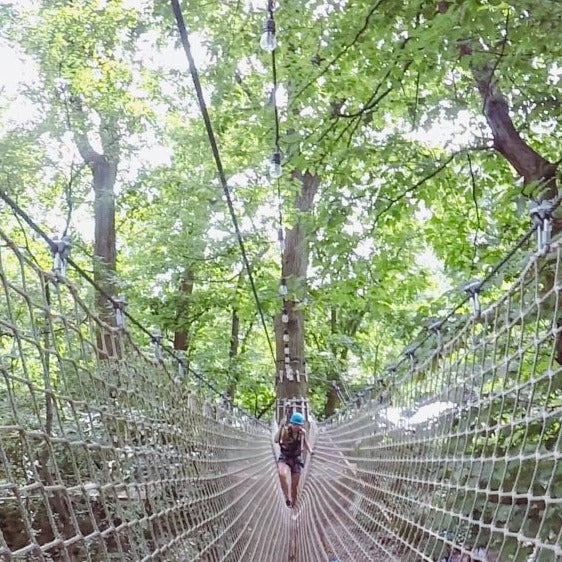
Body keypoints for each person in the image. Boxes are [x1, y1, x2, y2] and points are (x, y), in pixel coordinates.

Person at [274, 411, 314, 508]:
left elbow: (305, 442)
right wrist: (280, 427)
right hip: (285, 456)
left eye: (299, 425)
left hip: (296, 459)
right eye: (295, 424)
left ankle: (294, 505)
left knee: (295, 485)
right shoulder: (285, 431)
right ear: (291, 423)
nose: (297, 426)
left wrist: (310, 451)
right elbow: (276, 440)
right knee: (281, 474)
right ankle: (287, 499)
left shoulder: (301, 433)